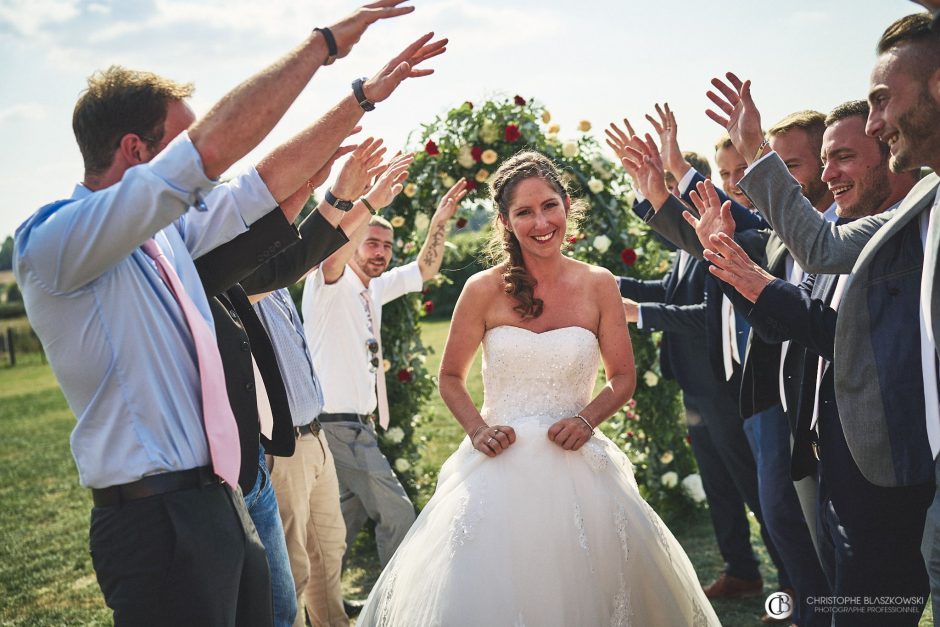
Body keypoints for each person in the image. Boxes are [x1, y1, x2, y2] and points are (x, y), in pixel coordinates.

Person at [12, 2, 439, 623]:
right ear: (135, 151)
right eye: (184, 144)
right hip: (153, 521)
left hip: (219, 500)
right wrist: (323, 45)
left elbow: (261, 186)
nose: (207, 171)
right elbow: (216, 152)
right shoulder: (53, 242)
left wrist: (361, 100)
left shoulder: (167, 239)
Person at [356, 151, 720, 626]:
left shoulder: (599, 284)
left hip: (579, 465)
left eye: (549, 205)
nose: (541, 221)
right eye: (524, 212)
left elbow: (623, 377)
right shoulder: (482, 289)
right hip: (495, 468)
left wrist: (587, 419)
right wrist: (477, 429)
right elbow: (450, 377)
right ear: (506, 221)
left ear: (567, 205)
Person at [699, 12, 940, 618]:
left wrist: (761, 287)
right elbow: (824, 248)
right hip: (865, 464)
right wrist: (753, 153)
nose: (879, 119)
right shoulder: (920, 206)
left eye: (883, 100)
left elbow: (853, 338)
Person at [301, 177, 466, 599]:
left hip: (357, 427)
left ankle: (322, 604)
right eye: (371, 241)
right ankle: (395, 603)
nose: (380, 252)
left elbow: (424, 269)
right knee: (398, 513)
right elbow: (332, 256)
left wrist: (439, 222)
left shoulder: (372, 289)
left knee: (340, 523)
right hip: (338, 426)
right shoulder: (330, 282)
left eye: (387, 247)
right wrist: (369, 202)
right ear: (353, 240)